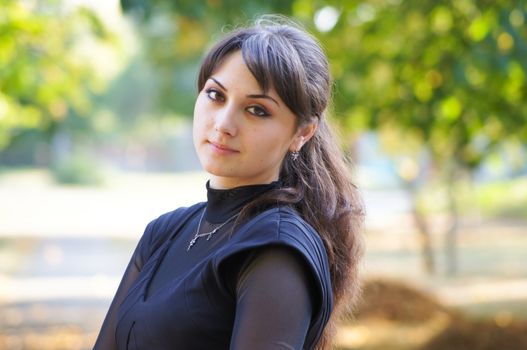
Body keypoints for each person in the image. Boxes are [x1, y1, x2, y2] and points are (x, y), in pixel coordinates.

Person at [94, 15, 364, 350]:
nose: (223, 124)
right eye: (215, 95)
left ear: (302, 133)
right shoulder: (164, 232)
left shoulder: (276, 249)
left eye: (257, 110)